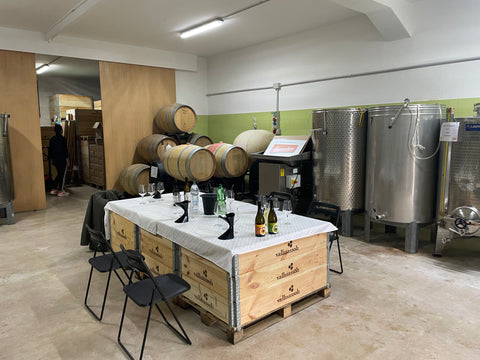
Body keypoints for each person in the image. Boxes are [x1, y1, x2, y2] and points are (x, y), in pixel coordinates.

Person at [48, 123, 70, 196]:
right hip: (62, 160)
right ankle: (61, 190)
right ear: (61, 131)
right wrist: (67, 160)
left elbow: (50, 150)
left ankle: (54, 189)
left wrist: (51, 159)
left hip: (55, 160)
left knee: (59, 174)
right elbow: (65, 150)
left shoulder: (52, 139)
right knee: (62, 175)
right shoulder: (62, 139)